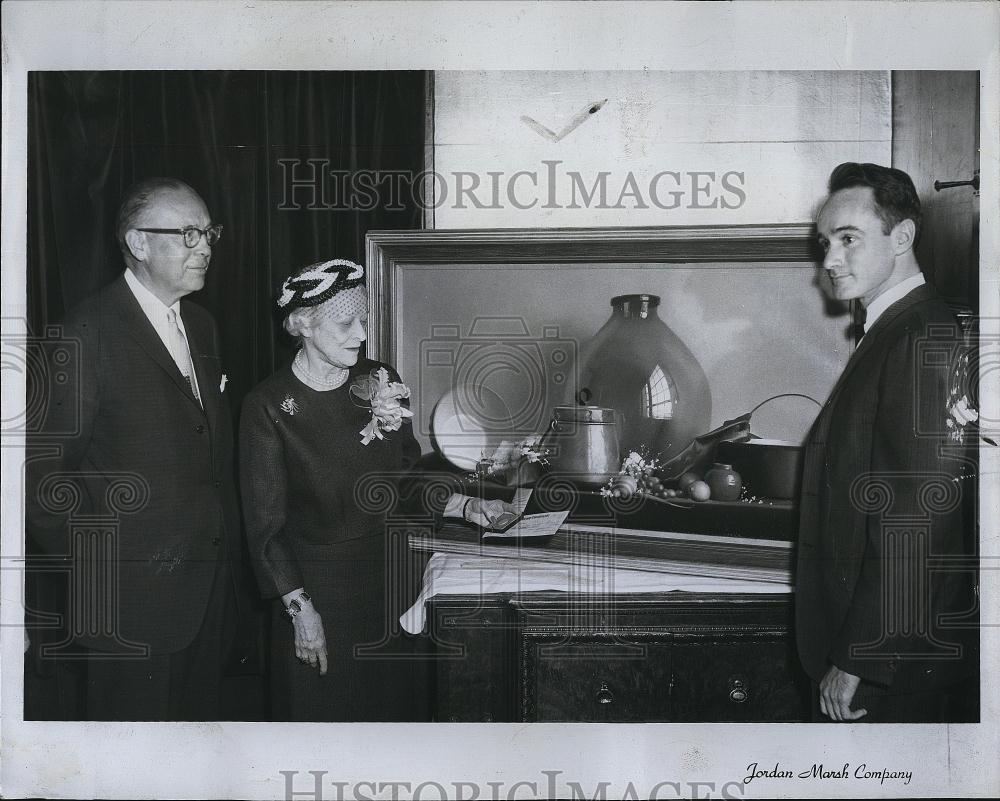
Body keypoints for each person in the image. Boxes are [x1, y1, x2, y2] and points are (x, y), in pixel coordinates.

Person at [239, 257, 509, 721]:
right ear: (302, 324)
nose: (361, 334)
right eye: (345, 323)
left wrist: (465, 505)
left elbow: (405, 481)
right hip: (321, 596)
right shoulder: (268, 407)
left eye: (363, 320)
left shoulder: (380, 380)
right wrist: (301, 612)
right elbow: (266, 530)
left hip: (393, 582)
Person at [25, 177, 244, 720]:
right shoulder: (86, 332)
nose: (207, 246)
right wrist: (102, 574)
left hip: (205, 596)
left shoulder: (202, 324)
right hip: (127, 609)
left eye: (209, 231)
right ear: (139, 243)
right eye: (189, 233)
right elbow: (40, 479)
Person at [796, 162, 978, 723]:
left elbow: (919, 514)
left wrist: (860, 658)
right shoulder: (896, 329)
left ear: (902, 237)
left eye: (849, 239)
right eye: (826, 242)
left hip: (890, 667)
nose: (829, 260)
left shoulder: (923, 334)